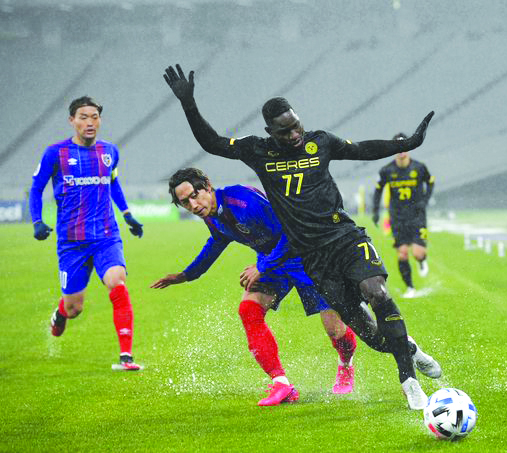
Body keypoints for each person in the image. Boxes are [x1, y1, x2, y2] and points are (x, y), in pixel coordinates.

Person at [163, 64, 440, 410]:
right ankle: (407, 350)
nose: (295, 135)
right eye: (285, 131)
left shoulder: (318, 143)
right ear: (270, 131)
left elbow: (363, 149)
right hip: (310, 257)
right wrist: (189, 104)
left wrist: (408, 142)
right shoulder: (258, 151)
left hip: (339, 239)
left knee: (371, 298)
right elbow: (213, 143)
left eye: (296, 126)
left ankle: (404, 379)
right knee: (368, 333)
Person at [151, 168, 359, 405]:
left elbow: (292, 231)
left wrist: (263, 265)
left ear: (207, 185)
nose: (193, 205)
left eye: (194, 195)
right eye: (185, 202)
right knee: (249, 309)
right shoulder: (212, 216)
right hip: (272, 264)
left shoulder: (243, 202)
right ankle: (282, 385)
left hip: (307, 256)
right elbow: (217, 241)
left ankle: (345, 364)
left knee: (335, 329)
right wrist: (187, 275)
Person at [30, 96, 144, 371]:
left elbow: (113, 183)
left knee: (118, 282)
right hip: (72, 243)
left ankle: (126, 357)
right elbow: (36, 189)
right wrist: (37, 221)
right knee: (74, 309)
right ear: (72, 120)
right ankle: (61, 311)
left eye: (94, 116)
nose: (90, 122)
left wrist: (127, 214)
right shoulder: (55, 153)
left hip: (106, 236)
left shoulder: (110, 151)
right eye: (83, 116)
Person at [373, 133, 434, 298]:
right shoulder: (386, 170)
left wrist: (425, 200)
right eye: (398, 148)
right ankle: (410, 287)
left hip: (417, 216)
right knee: (402, 253)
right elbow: (378, 190)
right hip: (397, 217)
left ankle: (422, 261)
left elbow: (430, 182)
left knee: (418, 253)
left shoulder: (419, 168)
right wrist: (375, 211)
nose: (401, 152)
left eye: (404, 148)